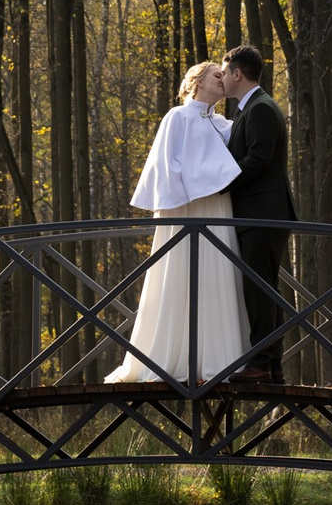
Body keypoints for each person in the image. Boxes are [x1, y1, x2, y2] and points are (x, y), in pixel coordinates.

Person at [108, 62, 251, 383]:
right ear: (198, 82)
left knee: (217, 275)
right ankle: (166, 359)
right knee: (179, 274)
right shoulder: (177, 117)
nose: (223, 80)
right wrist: (192, 190)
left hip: (217, 209)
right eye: (217, 75)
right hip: (187, 212)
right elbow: (166, 169)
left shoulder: (225, 125)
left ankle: (218, 359)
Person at [219, 44, 296, 380]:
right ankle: (272, 365)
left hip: (263, 213)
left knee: (259, 287)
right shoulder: (249, 109)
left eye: (223, 73)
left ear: (238, 73)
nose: (221, 79)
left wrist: (218, 185)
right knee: (262, 286)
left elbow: (258, 159)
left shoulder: (261, 108)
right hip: (260, 213)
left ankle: (261, 363)